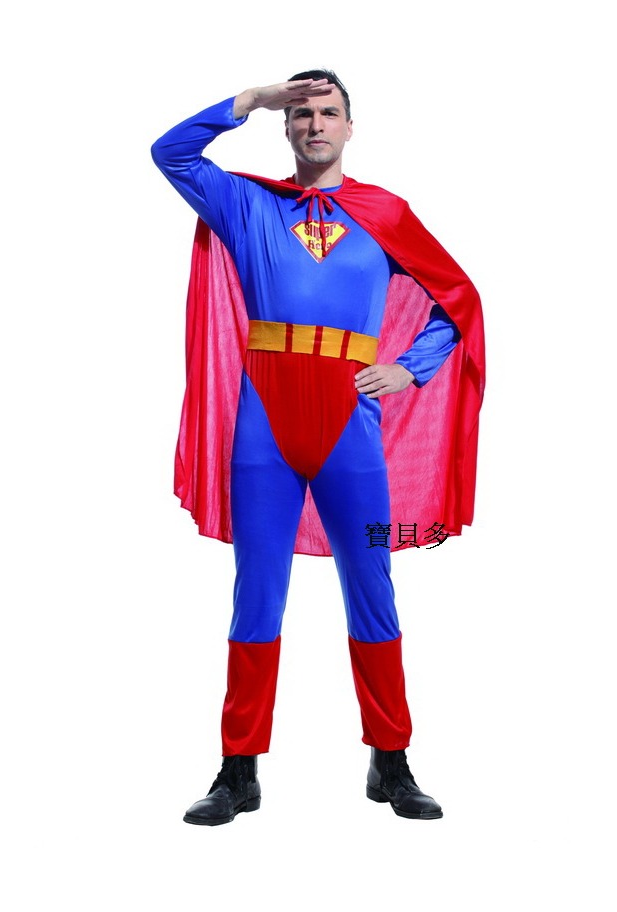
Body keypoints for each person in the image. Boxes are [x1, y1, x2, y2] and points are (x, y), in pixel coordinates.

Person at [151, 70, 485, 825]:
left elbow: (457, 299)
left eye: (328, 112)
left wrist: (411, 367)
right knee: (256, 593)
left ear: (349, 126)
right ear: (286, 125)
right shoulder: (248, 205)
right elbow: (171, 153)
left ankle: (390, 761)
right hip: (263, 430)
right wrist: (251, 98)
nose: (314, 124)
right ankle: (238, 771)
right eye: (301, 113)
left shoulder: (384, 213)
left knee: (372, 583)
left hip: (351, 432)